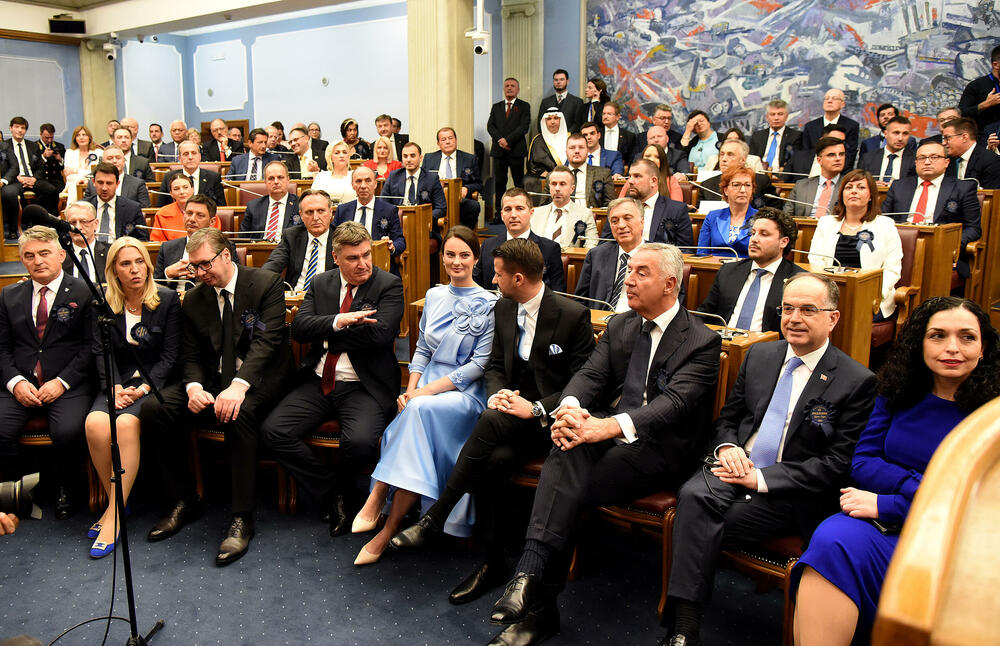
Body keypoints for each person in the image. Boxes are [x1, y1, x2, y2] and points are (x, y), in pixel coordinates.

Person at [490, 241, 721, 646]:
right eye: (628, 270)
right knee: (568, 446)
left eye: (640, 273)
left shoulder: (700, 341)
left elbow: (673, 406)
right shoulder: (621, 325)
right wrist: (571, 410)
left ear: (671, 283)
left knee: (567, 476)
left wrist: (604, 427)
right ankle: (531, 581)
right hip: (608, 439)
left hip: (662, 451)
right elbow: (589, 377)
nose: (627, 280)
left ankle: (535, 589)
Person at [660, 272, 877, 646]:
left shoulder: (856, 381)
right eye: (787, 308)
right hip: (734, 464)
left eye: (808, 309)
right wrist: (728, 449)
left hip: (786, 489)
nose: (794, 318)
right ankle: (685, 626)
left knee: (695, 520)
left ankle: (682, 628)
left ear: (833, 318)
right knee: (694, 496)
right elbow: (729, 419)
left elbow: (836, 464)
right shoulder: (761, 354)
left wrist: (760, 480)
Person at [390, 238, 595, 605]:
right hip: (506, 416)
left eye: (498, 275)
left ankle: (436, 515)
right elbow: (496, 367)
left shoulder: (571, 314)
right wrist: (500, 394)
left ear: (518, 278)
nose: (493, 280)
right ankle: (493, 562)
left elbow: (583, 383)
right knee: (493, 460)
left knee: (486, 421)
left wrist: (534, 407)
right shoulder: (502, 308)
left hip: (550, 421)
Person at [790, 296, 1000, 646]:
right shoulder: (897, 391)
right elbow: (864, 462)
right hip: (881, 525)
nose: (952, 348)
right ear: (920, 343)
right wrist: (919, 487)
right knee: (833, 539)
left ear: (983, 348)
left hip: (960, 540)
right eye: (938, 336)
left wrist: (889, 504)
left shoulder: (992, 416)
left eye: (967, 337)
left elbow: (982, 507)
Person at [140, 228, 293, 565]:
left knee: (238, 411)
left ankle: (242, 516)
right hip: (212, 379)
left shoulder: (265, 284)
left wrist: (238, 386)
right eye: (194, 267)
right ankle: (183, 499)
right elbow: (191, 354)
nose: (199, 273)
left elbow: (266, 346)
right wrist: (194, 387)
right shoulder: (196, 298)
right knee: (156, 409)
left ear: (226, 255)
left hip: (261, 378)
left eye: (204, 264)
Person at [350, 227, 499, 565]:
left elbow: (478, 366)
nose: (456, 261)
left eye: (464, 255)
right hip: (426, 387)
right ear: (442, 257)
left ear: (476, 259)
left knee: (417, 413)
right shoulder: (433, 296)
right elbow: (422, 350)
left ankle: (378, 499)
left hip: (463, 394)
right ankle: (389, 527)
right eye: (450, 254)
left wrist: (422, 394)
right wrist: (411, 388)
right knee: (415, 416)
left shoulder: (491, 304)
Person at [261, 221, 404, 536]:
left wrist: (326, 334)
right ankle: (333, 492)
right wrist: (340, 321)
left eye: (367, 255)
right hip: (317, 380)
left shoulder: (388, 284)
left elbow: (380, 336)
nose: (363, 263)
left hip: (363, 386)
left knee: (362, 442)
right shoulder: (322, 283)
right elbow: (299, 329)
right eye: (353, 258)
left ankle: (339, 493)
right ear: (336, 258)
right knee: (274, 431)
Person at [85, 238, 181, 559]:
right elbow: (101, 350)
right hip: (117, 382)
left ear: (148, 265)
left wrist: (142, 388)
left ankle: (112, 518)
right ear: (114, 270)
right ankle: (118, 503)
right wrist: (112, 386)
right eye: (125, 264)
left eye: (139, 262)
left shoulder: (166, 300)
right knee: (95, 424)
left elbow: (170, 356)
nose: (134, 269)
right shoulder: (103, 302)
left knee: (125, 425)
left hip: (152, 382)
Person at [0, 225, 94, 519]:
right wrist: (15, 382)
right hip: (21, 382)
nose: (38, 260)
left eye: (44, 253)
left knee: (67, 431)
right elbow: (1, 348)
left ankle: (65, 486)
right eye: (29, 255)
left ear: (61, 255)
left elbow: (91, 347)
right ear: (22, 260)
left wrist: (62, 382)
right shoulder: (8, 295)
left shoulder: (85, 292)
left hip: (68, 381)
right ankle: (14, 491)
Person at [809, 169, 903, 320]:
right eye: (849, 187)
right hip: (828, 295)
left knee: (851, 316)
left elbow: (892, 269)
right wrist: (826, 294)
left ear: (871, 195)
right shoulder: (826, 223)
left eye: (861, 187)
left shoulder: (885, 225)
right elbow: (815, 261)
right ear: (841, 194)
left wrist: (871, 295)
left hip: (871, 298)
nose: (854, 191)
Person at [881, 140, 981, 278]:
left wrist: (950, 245)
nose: (927, 162)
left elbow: (973, 228)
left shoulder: (963, 188)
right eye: (922, 158)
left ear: (946, 162)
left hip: (941, 252)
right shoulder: (898, 186)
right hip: (900, 248)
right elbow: (883, 219)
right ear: (916, 163)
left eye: (934, 157)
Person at [698, 207, 804, 333]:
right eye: (753, 233)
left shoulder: (798, 281)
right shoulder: (728, 271)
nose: (754, 239)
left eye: (764, 234)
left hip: (767, 349)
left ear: (783, 242)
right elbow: (705, 316)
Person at [475, 188, 565, 292]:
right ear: (502, 215)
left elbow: (558, 293)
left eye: (519, 208)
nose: (513, 215)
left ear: (531, 213)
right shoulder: (487, 245)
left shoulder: (549, 248)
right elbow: (476, 286)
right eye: (508, 209)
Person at [575, 197, 649, 312]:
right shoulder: (596, 255)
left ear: (642, 222)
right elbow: (580, 300)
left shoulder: (660, 257)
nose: (621, 225)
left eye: (627, 218)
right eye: (614, 221)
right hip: (599, 323)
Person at [600, 159, 693, 247]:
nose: (630, 181)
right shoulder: (618, 208)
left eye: (637, 176)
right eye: (629, 176)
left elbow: (685, 250)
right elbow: (604, 244)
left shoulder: (676, 210)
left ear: (653, 181)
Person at [153, 195, 238, 289]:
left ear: (212, 221)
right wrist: (168, 273)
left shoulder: (224, 246)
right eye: (189, 213)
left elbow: (233, 280)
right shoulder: (167, 247)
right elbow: (154, 286)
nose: (192, 219)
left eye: (200, 215)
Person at [333, 167, 405, 271]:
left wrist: (392, 246)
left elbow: (400, 241)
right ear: (352, 185)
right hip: (349, 265)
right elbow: (333, 239)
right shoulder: (342, 210)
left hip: (380, 265)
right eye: (358, 181)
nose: (363, 186)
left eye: (368, 181)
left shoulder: (389, 210)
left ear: (375, 184)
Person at [262, 189, 336, 291]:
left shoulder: (340, 238)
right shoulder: (291, 236)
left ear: (330, 212)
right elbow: (273, 265)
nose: (315, 217)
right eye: (309, 212)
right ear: (301, 215)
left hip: (328, 298)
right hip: (295, 298)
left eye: (320, 211)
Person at [1, 117, 60, 238]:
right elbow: (3, 168)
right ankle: (13, 229)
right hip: (15, 180)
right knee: (8, 193)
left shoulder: (33, 146)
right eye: (17, 127)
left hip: (32, 179)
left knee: (52, 190)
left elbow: (40, 167)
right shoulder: (4, 146)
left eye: (22, 128)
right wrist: (17, 177)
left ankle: (37, 218)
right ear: (11, 128)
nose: (20, 130)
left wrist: (34, 178)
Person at [421, 127, 483, 230]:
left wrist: (467, 188)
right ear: (438, 143)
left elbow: (479, 184)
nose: (448, 142)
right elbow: (422, 181)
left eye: (450, 138)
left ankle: (463, 235)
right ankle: (437, 236)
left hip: (459, 200)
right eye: (443, 140)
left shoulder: (469, 159)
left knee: (474, 206)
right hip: (435, 200)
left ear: (456, 140)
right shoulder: (429, 158)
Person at [487, 77, 532, 213]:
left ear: (517, 89)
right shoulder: (497, 107)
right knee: (500, 183)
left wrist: (508, 140)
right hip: (499, 151)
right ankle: (499, 212)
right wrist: (501, 139)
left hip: (516, 150)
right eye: (507, 85)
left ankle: (522, 210)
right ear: (503, 89)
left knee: (519, 182)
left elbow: (524, 127)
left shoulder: (524, 106)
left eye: (513, 86)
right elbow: (490, 126)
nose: (510, 88)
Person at [383, 142, 447, 234]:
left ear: (420, 158)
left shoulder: (432, 179)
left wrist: (423, 217)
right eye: (405, 156)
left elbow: (441, 208)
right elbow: (383, 203)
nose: (408, 160)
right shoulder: (393, 176)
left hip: (423, 227)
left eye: (412, 156)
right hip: (397, 225)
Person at [695, 138, 777, 211]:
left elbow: (773, 211)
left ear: (743, 160)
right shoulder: (706, 185)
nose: (723, 159)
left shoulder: (761, 182)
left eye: (730, 154)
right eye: (722, 154)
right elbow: (699, 215)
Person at [530, 166, 598, 249]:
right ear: (549, 187)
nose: (557, 188)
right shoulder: (536, 213)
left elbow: (592, 244)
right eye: (554, 184)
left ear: (572, 189)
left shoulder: (584, 214)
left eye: (562, 184)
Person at [697, 166, 758, 258]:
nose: (743, 190)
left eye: (747, 185)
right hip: (715, 268)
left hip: (747, 269)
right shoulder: (712, 217)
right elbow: (702, 253)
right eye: (736, 185)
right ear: (725, 190)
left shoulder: (761, 218)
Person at [784, 137, 846, 219]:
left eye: (841, 154)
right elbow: (786, 217)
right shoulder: (801, 186)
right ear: (819, 160)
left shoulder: (849, 186)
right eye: (831, 155)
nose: (838, 159)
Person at [85, 162, 147, 242]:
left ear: (117, 184)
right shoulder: (83, 207)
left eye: (109, 183)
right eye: (100, 183)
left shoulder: (132, 208)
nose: (104, 188)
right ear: (93, 182)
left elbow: (143, 239)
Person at [800, 88, 861, 169]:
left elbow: (850, 155)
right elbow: (805, 154)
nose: (829, 101)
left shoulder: (851, 126)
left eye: (834, 98)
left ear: (842, 104)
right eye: (826, 98)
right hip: (813, 171)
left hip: (839, 173)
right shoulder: (810, 126)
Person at [240, 161, 300, 241]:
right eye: (271, 178)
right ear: (265, 182)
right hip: (260, 250)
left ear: (288, 180)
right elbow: (243, 238)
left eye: (280, 177)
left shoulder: (300, 204)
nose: (276, 182)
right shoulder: (253, 206)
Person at [157, 141, 226, 208]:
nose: (190, 157)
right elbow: (161, 207)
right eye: (186, 154)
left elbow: (221, 207)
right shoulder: (169, 177)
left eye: (194, 153)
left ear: (200, 156)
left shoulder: (213, 177)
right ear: (180, 158)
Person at [83, 146, 151, 208]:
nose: (114, 161)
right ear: (102, 162)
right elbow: (85, 208)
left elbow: (144, 209)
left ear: (124, 161)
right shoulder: (92, 184)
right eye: (110, 158)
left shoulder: (137, 184)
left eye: (118, 158)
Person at [941, 117, 1000, 188]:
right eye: (943, 139)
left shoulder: (990, 160)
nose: (943, 143)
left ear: (964, 137)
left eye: (947, 138)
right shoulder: (947, 160)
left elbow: (992, 195)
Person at [957, 44, 1000, 141]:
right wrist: (985, 104)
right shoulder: (976, 86)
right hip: (984, 141)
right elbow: (961, 113)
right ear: (995, 65)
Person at [525, 107, 569, 199]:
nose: (552, 122)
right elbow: (533, 164)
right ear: (545, 121)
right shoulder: (538, 140)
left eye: (555, 118)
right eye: (549, 119)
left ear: (560, 120)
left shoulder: (570, 138)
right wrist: (549, 175)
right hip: (545, 176)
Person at [564, 132, 616, 208]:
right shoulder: (555, 175)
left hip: (592, 217)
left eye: (581, 147)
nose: (577, 151)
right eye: (572, 148)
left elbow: (611, 204)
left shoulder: (603, 174)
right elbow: (544, 206)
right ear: (566, 152)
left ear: (587, 151)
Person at [61, 201, 109, 284]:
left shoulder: (110, 252)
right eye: (73, 223)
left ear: (95, 224)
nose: (78, 227)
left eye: (83, 222)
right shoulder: (60, 256)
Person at [859, 116, 916, 184]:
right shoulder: (868, 158)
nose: (900, 138)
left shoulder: (915, 159)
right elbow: (859, 182)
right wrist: (872, 185)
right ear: (886, 134)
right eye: (896, 133)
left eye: (905, 133)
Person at [749, 99, 801, 172]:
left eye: (780, 114)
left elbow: (794, 162)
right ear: (767, 117)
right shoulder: (757, 136)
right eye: (772, 114)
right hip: (759, 174)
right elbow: (751, 159)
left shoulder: (795, 136)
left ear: (786, 116)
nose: (776, 118)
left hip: (783, 176)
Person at [537, 69, 585, 134]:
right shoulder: (545, 102)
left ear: (567, 81)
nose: (558, 82)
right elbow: (541, 123)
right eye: (556, 80)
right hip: (549, 139)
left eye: (561, 79)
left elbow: (578, 124)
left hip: (569, 139)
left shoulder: (577, 102)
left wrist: (566, 135)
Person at [150, 174, 196, 241]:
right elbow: (157, 242)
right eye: (176, 189)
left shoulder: (206, 210)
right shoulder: (162, 214)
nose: (182, 192)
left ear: (192, 190)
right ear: (171, 194)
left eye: (185, 187)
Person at [310, 140, 357, 206]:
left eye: (344, 152)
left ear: (348, 156)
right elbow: (313, 199)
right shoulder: (321, 176)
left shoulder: (356, 176)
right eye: (337, 153)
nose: (341, 155)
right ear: (330, 157)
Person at [62, 125, 101, 200]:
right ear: (75, 139)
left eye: (84, 135)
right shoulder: (69, 152)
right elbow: (67, 173)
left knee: (76, 178)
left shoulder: (98, 152)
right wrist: (85, 174)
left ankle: (71, 207)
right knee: (75, 180)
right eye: (78, 135)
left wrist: (75, 171)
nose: (81, 138)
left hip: (91, 182)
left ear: (89, 137)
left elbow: (96, 172)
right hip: (72, 183)